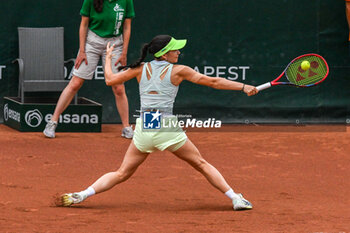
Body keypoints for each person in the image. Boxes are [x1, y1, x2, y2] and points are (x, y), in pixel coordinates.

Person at [57, 35, 258, 211]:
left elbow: (109, 80)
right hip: (166, 126)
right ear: (163, 54)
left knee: (121, 173)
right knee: (201, 164)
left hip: (145, 125)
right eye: (174, 49)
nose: (178, 52)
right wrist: (243, 87)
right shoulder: (179, 70)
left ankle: (83, 194)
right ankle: (235, 198)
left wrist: (107, 59)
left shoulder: (140, 69)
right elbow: (213, 82)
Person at [43, 0, 135, 139]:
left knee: (118, 87)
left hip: (115, 44)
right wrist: (82, 50)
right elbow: (84, 24)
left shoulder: (126, 1)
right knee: (75, 83)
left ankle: (126, 127)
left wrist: (124, 53)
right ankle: (52, 122)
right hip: (92, 43)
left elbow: (127, 27)